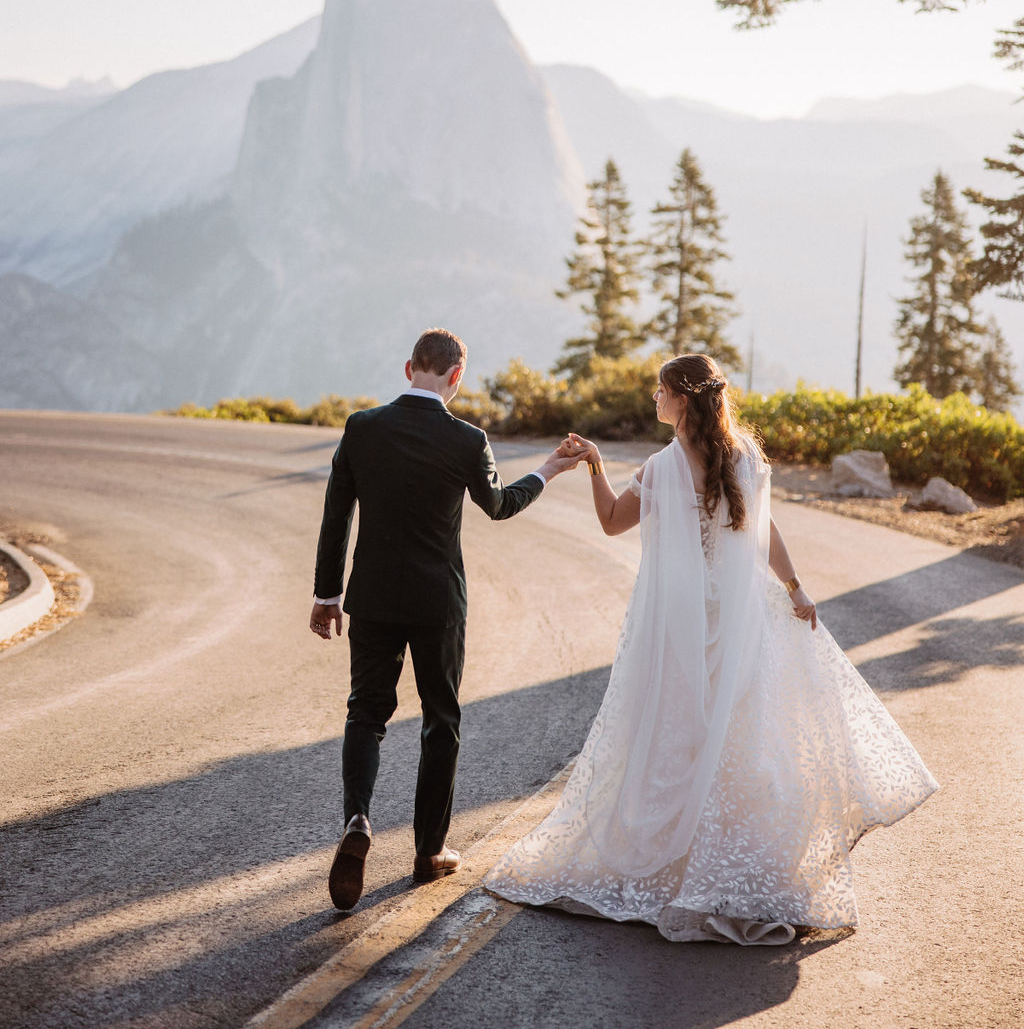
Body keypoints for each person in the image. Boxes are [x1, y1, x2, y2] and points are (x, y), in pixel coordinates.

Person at [486, 353, 938, 945]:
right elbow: (765, 530)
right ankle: (749, 864)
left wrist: (594, 466)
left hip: (679, 625)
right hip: (742, 618)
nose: (653, 397)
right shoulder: (746, 455)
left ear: (681, 398)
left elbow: (612, 523)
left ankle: (681, 865)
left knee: (682, 732)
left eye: (660, 389)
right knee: (743, 737)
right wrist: (796, 589)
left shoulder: (661, 467)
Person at [309, 327, 585, 911]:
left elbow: (337, 516)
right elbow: (499, 505)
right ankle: (429, 851)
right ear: (456, 377)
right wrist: (549, 470)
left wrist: (327, 595)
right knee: (441, 721)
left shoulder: (362, 427)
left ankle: (357, 817)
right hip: (438, 605)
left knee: (366, 713)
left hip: (373, 599)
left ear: (409, 367)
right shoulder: (467, 439)